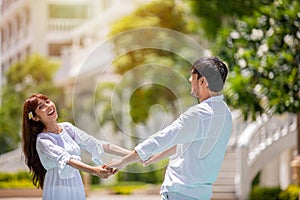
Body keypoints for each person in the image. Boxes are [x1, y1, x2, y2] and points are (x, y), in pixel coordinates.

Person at [109, 56, 233, 200]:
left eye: (192, 76)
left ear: (202, 81)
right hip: (200, 195)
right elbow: (191, 142)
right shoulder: (225, 114)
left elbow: (162, 138)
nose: (189, 80)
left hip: (179, 193)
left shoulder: (199, 115)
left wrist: (123, 161)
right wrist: (159, 155)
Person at [22, 93, 131, 200]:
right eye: (41, 107)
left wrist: (134, 154)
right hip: (58, 186)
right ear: (35, 118)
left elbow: (97, 144)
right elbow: (67, 159)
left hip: (76, 184)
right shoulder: (43, 140)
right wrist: (95, 170)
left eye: (47, 101)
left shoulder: (68, 128)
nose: (48, 106)